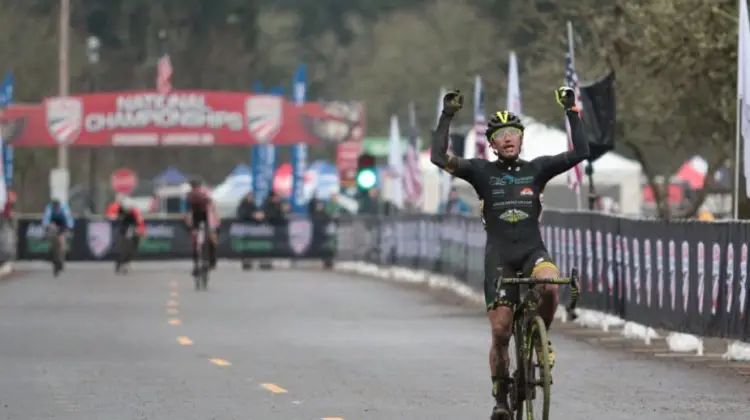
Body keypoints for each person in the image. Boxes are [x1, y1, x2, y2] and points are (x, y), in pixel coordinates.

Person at [430, 86, 589, 420]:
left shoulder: (538, 169)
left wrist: (572, 110)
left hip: (533, 251)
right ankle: (501, 397)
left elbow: (581, 152)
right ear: (491, 143)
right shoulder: (481, 172)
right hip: (500, 258)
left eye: (513, 133)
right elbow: (439, 158)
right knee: (501, 332)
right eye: (500, 135)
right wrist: (447, 116)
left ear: (521, 138)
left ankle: (541, 342)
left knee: (549, 284)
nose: (507, 139)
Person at [183, 179, 220, 276]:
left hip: (197, 218)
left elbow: (186, 213)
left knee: (195, 242)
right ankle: (212, 262)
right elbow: (213, 208)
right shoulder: (205, 194)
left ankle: (196, 265)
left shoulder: (189, 195)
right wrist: (216, 221)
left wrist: (189, 225)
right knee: (211, 240)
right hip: (205, 218)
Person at [105, 198, 146, 272]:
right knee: (124, 249)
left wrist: (141, 230)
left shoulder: (135, 212)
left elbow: (140, 221)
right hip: (124, 233)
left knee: (132, 249)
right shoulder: (121, 213)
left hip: (133, 233)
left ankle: (127, 262)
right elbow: (112, 216)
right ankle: (121, 264)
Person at [41, 198, 75, 273]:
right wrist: (47, 226)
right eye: (55, 207)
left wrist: (69, 228)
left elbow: (69, 220)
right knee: (53, 240)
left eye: (57, 207)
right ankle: (52, 255)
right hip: (53, 225)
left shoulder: (64, 208)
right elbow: (46, 219)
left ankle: (61, 261)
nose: (56, 208)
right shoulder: (49, 208)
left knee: (62, 243)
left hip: (63, 225)